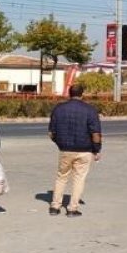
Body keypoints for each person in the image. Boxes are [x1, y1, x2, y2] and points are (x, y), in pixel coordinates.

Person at [49, 84, 102, 217]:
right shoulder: (90, 110)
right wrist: (96, 150)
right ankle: (72, 209)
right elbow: (95, 133)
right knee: (79, 179)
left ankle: (55, 206)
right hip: (85, 150)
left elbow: (51, 133)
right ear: (82, 94)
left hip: (65, 149)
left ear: (69, 93)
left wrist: (60, 143)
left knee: (61, 177)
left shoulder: (58, 109)